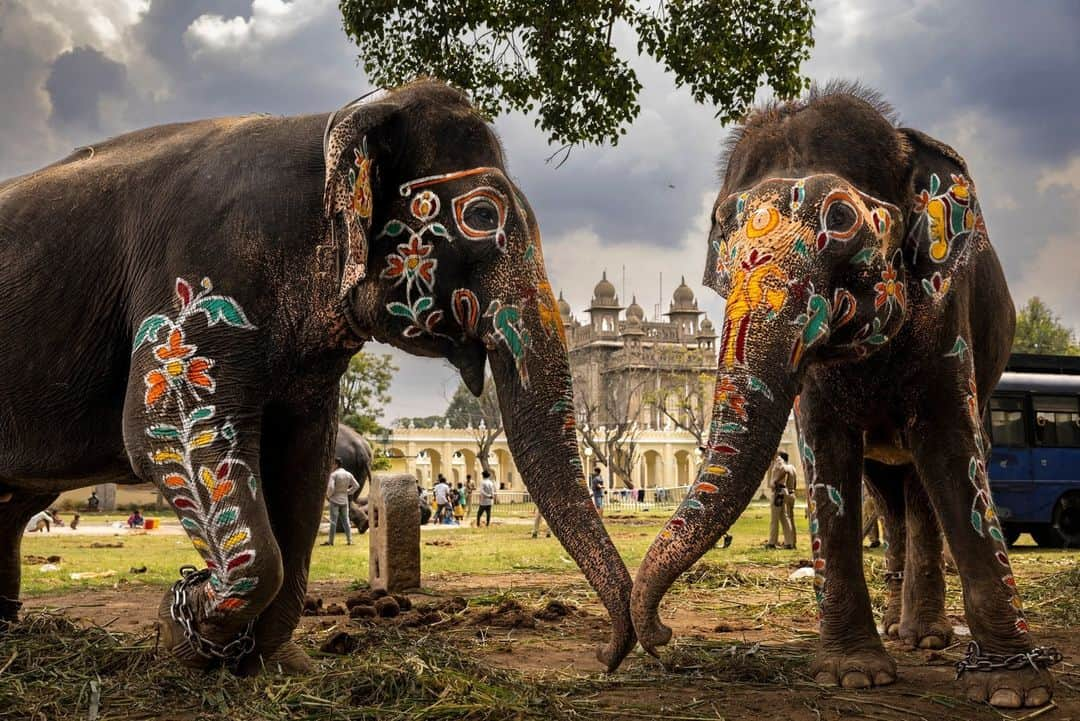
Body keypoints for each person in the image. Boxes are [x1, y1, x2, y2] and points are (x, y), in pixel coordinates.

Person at [322, 457, 359, 546]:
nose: (331, 466)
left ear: (336, 464)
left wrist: (329, 495)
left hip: (334, 499)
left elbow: (331, 488)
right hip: (344, 499)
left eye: (332, 464)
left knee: (333, 522)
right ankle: (349, 540)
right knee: (346, 521)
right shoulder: (348, 474)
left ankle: (331, 541)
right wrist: (348, 492)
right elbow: (356, 486)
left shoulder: (333, 475)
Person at [766, 453, 795, 549]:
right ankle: (789, 542)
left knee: (774, 518)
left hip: (778, 491)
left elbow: (785, 470)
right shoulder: (776, 461)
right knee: (784, 517)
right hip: (782, 491)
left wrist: (775, 481)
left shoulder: (778, 461)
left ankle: (772, 542)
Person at [863, 483, 882, 548]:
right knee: (865, 517)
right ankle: (872, 539)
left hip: (870, 495)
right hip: (867, 494)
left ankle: (875, 540)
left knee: (870, 517)